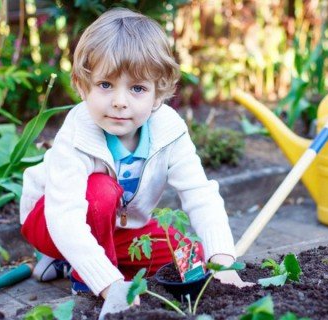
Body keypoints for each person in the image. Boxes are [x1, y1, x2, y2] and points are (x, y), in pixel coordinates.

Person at [18, 8, 252, 319]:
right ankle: (79, 272)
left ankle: (99, 259)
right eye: (105, 85)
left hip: (120, 229)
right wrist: (111, 284)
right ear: (81, 84)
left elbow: (200, 194)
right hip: (50, 221)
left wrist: (222, 261)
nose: (120, 101)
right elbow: (64, 218)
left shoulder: (169, 130)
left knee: (192, 259)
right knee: (100, 191)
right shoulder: (77, 134)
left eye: (137, 88)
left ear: (158, 94)